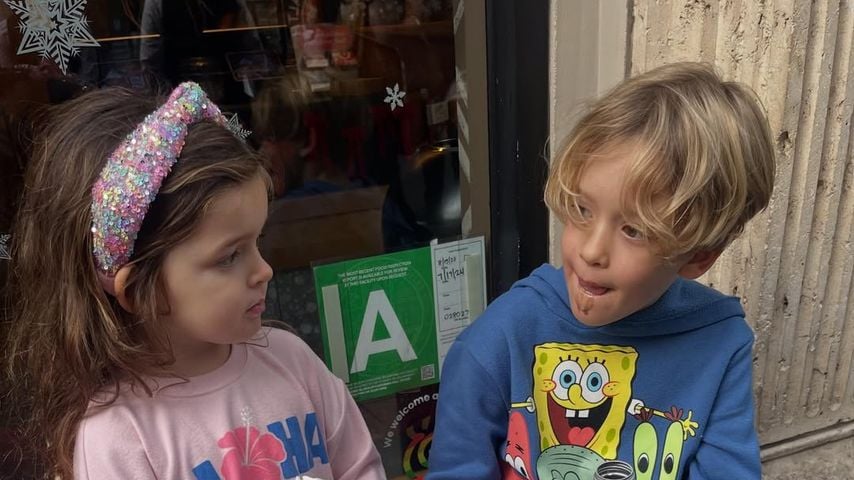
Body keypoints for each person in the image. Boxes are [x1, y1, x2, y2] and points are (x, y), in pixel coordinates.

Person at [2, 82, 386, 480]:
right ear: (138, 290)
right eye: (229, 256)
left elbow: (360, 466)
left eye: (258, 241)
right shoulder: (118, 438)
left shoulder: (293, 362)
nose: (265, 270)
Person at [427, 62, 775, 480]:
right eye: (582, 209)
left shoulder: (721, 344)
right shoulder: (501, 338)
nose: (591, 251)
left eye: (634, 230)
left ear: (699, 256)